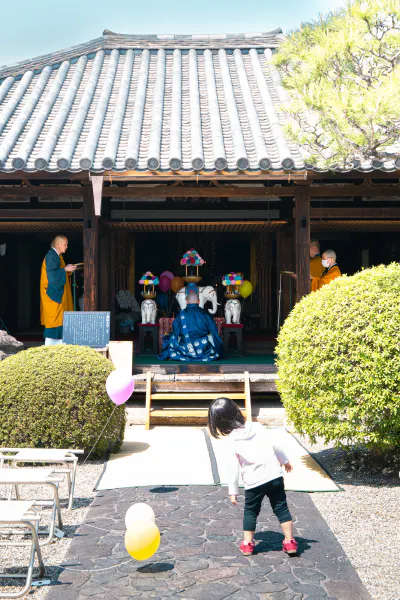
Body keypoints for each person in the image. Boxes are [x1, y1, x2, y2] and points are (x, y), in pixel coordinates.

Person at [208, 398, 298, 556]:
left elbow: (232, 467)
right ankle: (290, 542)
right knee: (281, 508)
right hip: (274, 475)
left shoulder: (232, 441)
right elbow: (275, 444)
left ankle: (248, 544)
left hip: (254, 481)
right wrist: (285, 461)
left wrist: (233, 490)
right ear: (236, 411)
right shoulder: (256, 427)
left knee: (251, 511)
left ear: (220, 424)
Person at [158, 285, 223, 362]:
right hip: (203, 347)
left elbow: (175, 329)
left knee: (171, 338)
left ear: (186, 302)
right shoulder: (205, 314)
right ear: (199, 302)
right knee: (212, 339)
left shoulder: (181, 314)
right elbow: (213, 330)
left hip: (184, 347)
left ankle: (184, 355)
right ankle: (204, 354)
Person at [40, 235, 76, 345]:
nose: (67, 246)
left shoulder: (58, 257)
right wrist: (65, 269)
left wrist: (67, 270)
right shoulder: (51, 256)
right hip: (54, 298)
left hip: (59, 297)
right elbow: (52, 277)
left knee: (62, 322)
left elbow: (58, 272)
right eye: (65, 244)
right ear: (58, 244)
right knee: (55, 323)